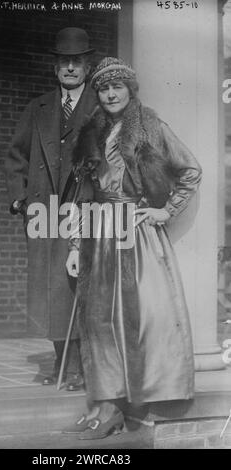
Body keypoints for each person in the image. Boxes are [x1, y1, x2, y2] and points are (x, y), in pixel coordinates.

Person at [65, 57, 202, 439]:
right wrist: (76, 245)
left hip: (138, 236)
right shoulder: (91, 134)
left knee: (142, 317)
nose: (110, 94)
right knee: (99, 320)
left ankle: (139, 403)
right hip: (99, 233)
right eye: (104, 89)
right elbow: (81, 195)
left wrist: (165, 210)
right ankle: (107, 406)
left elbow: (190, 171)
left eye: (117, 87)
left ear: (130, 90)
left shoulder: (151, 127)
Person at [5, 28, 97, 391]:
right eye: (64, 62)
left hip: (82, 208)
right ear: (55, 68)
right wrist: (19, 199)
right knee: (48, 290)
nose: (71, 68)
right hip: (43, 212)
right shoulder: (38, 107)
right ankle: (61, 361)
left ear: (87, 67)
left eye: (77, 62)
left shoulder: (99, 105)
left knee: (74, 286)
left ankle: (77, 366)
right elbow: (16, 156)